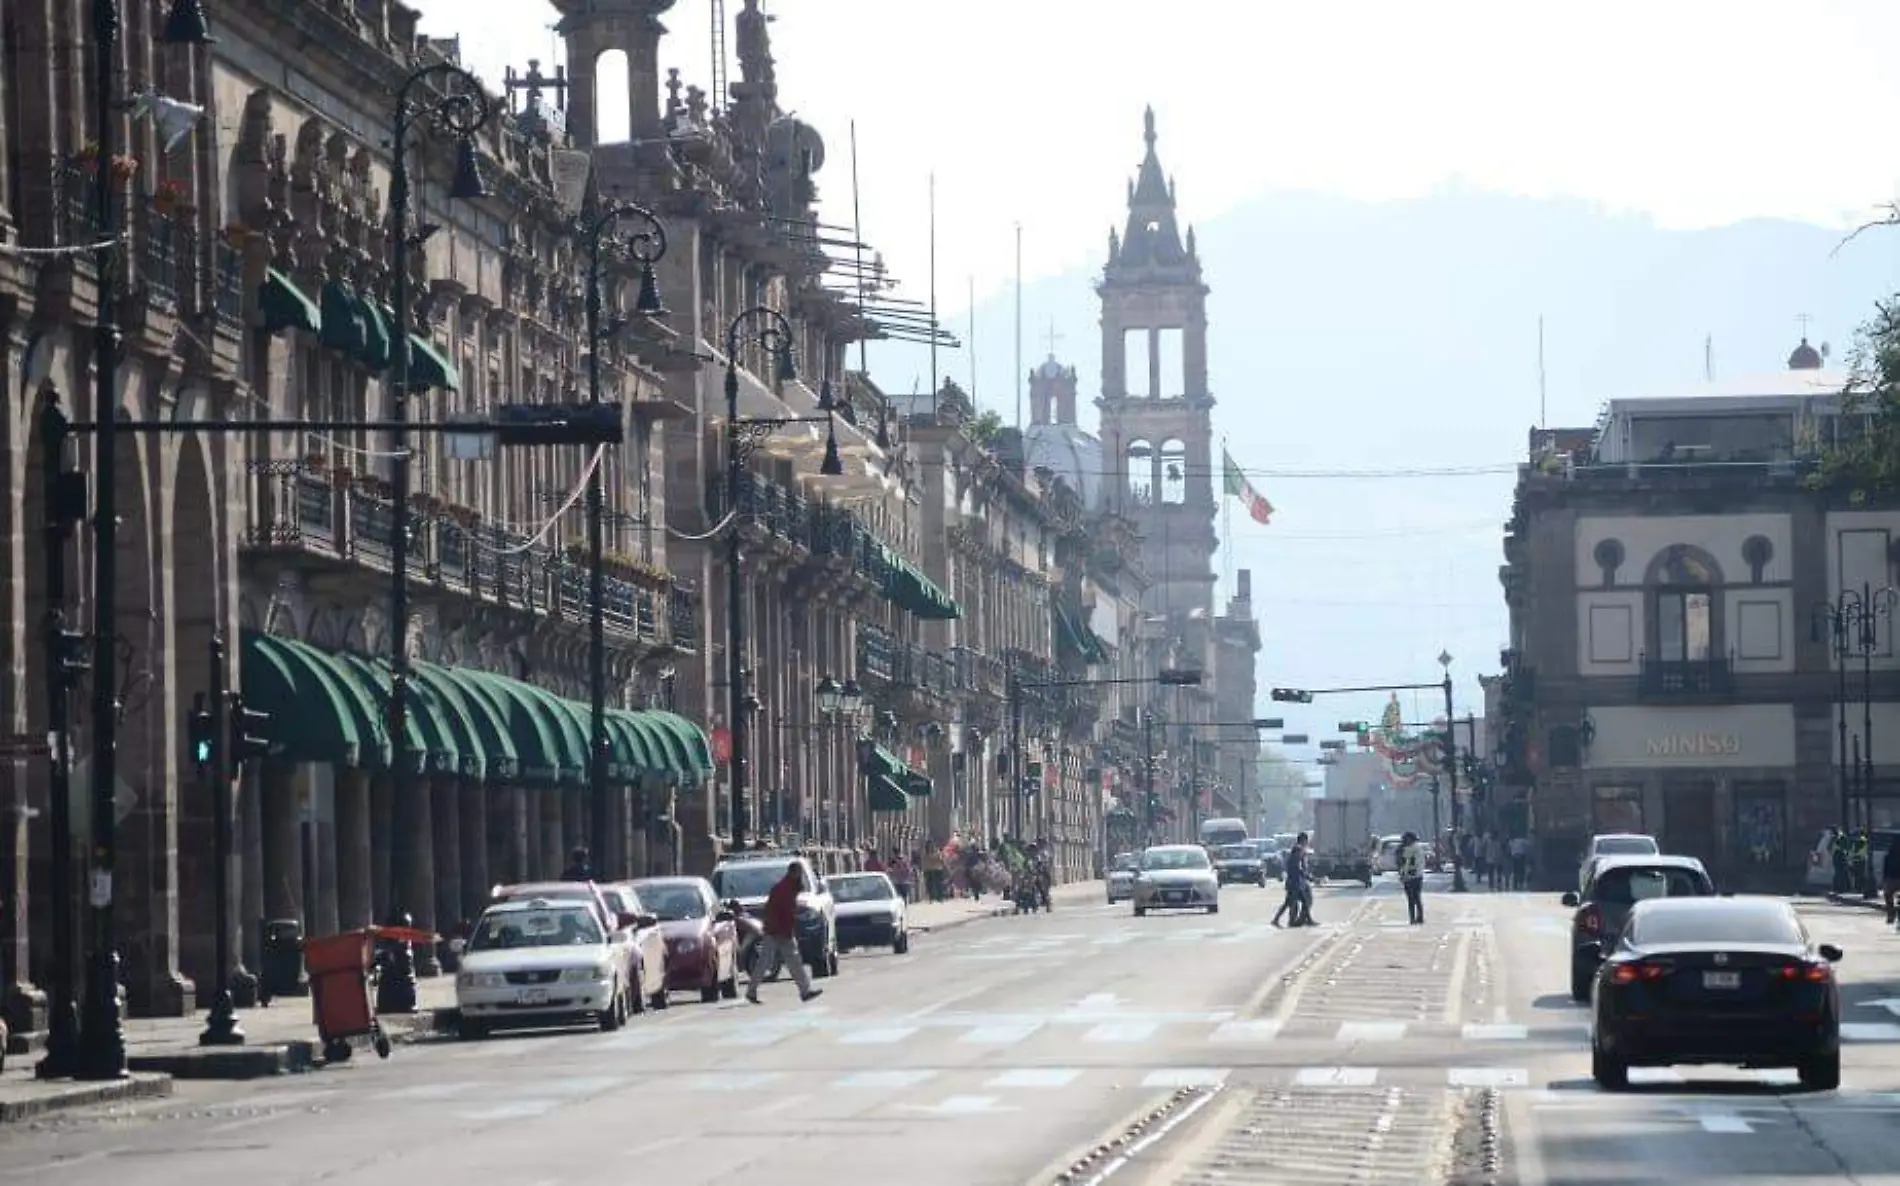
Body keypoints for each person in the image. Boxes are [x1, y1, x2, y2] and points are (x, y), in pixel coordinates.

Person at [747, 865, 822, 1006]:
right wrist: (783, 931)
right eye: (799, 873)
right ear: (793, 873)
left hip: (780, 930)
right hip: (777, 931)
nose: (800, 876)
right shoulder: (784, 888)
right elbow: (780, 912)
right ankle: (752, 991)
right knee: (769, 962)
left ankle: (805, 991)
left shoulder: (789, 887)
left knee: (791, 961)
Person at [1398, 830, 1426, 925]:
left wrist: (1404, 874)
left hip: (1411, 876)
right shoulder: (1419, 848)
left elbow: (1406, 863)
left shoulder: (1410, 849)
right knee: (1417, 898)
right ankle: (1419, 917)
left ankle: (1413, 918)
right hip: (1417, 876)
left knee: (1411, 899)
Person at [1883, 837, 1900, 926]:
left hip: (1891, 880)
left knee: (1887, 895)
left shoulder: (1888, 856)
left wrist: (1884, 881)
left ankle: (1891, 914)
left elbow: (1885, 871)